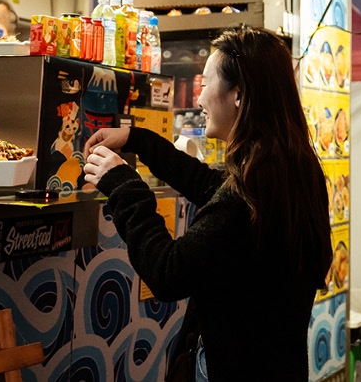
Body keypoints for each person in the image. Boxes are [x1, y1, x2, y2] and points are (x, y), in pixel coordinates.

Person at [83, 27, 332, 382]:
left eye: (206, 83)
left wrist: (123, 185)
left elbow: (168, 272)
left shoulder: (249, 192)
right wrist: (139, 139)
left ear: (239, 95)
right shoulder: (290, 168)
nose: (198, 98)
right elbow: (209, 186)